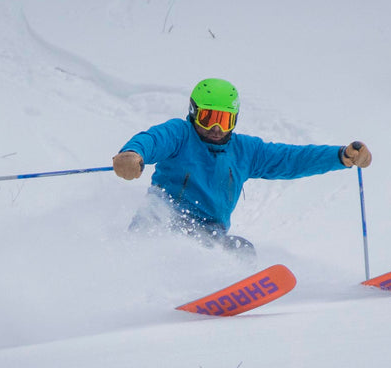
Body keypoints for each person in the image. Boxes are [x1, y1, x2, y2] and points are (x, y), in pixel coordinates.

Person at [112, 78, 371, 257]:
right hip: (162, 225)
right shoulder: (180, 134)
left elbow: (291, 158)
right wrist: (133, 153)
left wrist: (340, 156)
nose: (216, 128)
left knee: (241, 250)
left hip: (209, 233)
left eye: (224, 120)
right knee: (175, 240)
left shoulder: (245, 151)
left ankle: (224, 294)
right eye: (209, 117)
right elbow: (153, 139)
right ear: (193, 113)